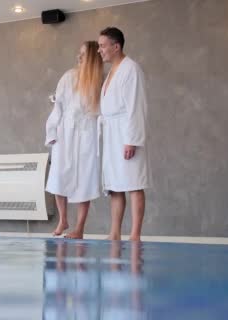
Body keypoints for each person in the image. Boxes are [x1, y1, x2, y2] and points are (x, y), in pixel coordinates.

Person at [45, 41, 104, 239]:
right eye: (79, 53)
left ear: (93, 59)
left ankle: (79, 228)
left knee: (84, 179)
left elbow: (103, 113)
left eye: (84, 55)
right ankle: (63, 219)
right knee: (58, 176)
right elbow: (58, 107)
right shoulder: (68, 77)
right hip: (65, 132)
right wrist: (52, 132)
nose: (79, 57)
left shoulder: (99, 82)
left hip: (87, 134)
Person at [97, 27, 151, 242]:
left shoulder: (131, 69)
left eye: (102, 46)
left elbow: (136, 106)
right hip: (112, 133)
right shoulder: (112, 71)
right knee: (115, 186)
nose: (99, 50)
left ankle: (135, 234)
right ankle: (115, 233)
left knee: (133, 183)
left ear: (116, 46)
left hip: (126, 133)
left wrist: (132, 140)